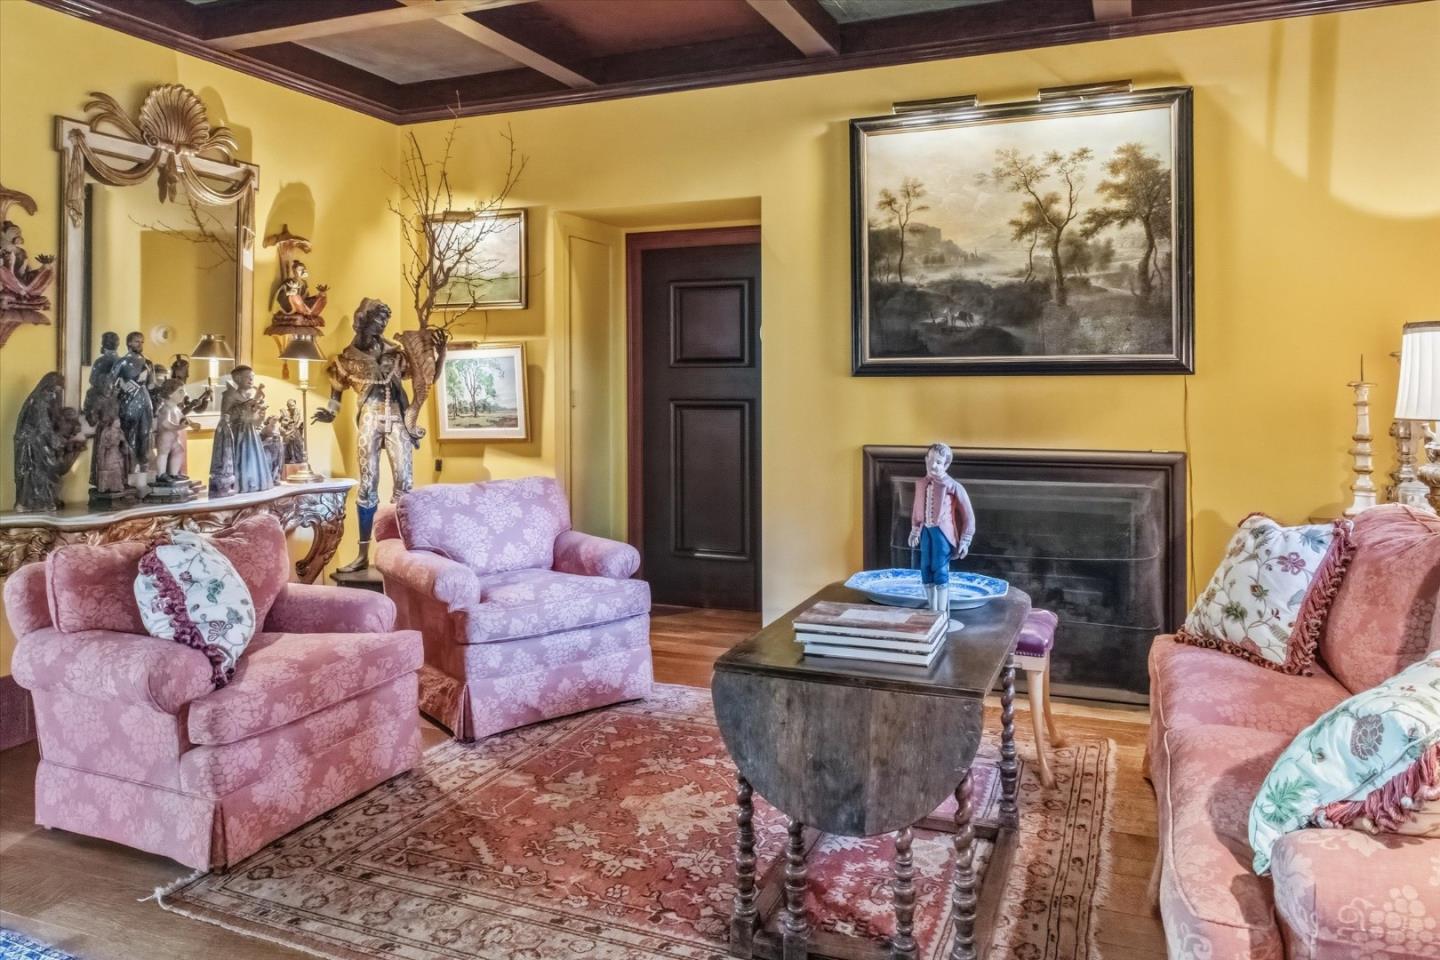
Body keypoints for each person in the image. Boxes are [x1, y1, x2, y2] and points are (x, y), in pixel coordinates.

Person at [312, 298, 414, 571]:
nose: (382, 327)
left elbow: (419, 376)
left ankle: (400, 551)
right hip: (369, 416)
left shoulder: (395, 353)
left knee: (404, 483)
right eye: (378, 321)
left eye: (384, 322)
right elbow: (337, 391)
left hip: (397, 416)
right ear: (364, 321)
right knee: (368, 484)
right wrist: (331, 412)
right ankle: (363, 554)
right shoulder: (348, 358)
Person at [908, 442, 976, 625]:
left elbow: (968, 515)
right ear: (925, 460)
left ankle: (941, 613)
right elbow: (917, 509)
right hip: (926, 532)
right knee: (925, 567)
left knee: (939, 568)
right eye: (931, 461)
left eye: (939, 462)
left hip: (943, 534)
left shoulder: (952, 486)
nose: (934, 465)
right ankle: (931, 611)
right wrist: (915, 530)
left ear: (946, 465)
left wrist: (965, 540)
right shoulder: (922, 484)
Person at [210, 366, 271, 495]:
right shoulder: (230, 395)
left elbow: (254, 420)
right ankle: (240, 485)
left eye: (252, 377)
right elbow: (226, 415)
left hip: (250, 432)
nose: (251, 380)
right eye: (248, 377)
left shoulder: (247, 396)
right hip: (238, 433)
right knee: (241, 458)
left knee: (252, 458)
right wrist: (247, 405)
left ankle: (253, 483)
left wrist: (258, 411)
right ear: (237, 378)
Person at [113, 331, 155, 475]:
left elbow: (151, 385)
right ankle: (129, 468)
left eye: (142, 341)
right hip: (128, 401)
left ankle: (144, 467)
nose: (140, 344)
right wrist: (123, 385)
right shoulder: (122, 362)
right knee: (130, 433)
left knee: (145, 433)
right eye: (137, 341)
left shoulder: (148, 362)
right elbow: (112, 381)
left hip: (144, 399)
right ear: (129, 343)